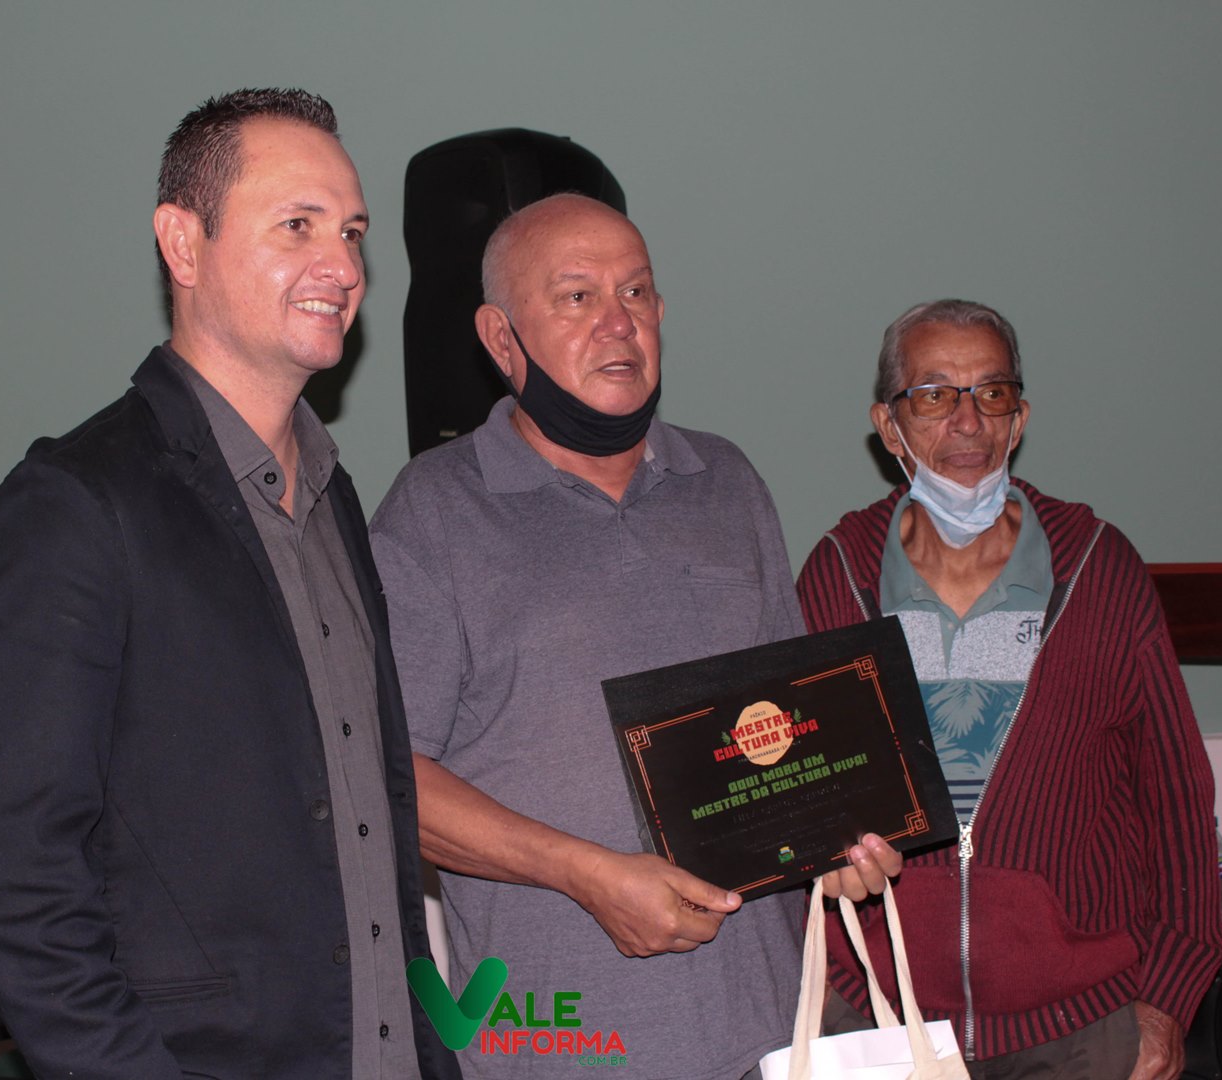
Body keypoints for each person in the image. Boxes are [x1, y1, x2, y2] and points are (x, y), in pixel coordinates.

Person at [0, 88, 459, 1080]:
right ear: (183, 244)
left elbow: (369, 827)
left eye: (352, 233)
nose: (343, 265)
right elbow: (10, 881)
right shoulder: (75, 503)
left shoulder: (336, 497)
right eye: (298, 225)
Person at [369, 193, 898, 1080]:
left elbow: (792, 729)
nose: (619, 322)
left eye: (637, 292)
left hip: (768, 1036)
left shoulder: (727, 481)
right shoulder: (432, 513)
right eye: (577, 296)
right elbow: (388, 782)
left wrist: (837, 840)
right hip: (559, 1047)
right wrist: (587, 875)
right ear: (501, 339)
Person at [795, 299, 1222, 1080]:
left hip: (1083, 1023)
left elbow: (1176, 800)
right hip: (884, 1018)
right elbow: (796, 799)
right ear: (889, 427)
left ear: (1018, 419)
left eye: (991, 393)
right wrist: (821, 977)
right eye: (934, 395)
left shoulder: (1099, 568)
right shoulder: (837, 575)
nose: (967, 421)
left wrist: (1166, 998)